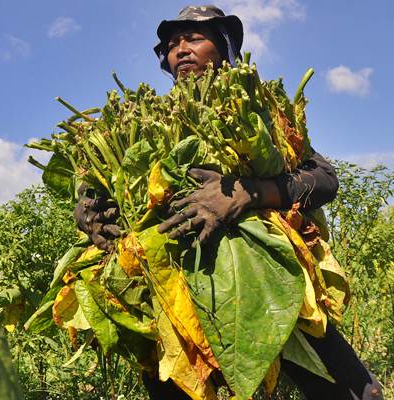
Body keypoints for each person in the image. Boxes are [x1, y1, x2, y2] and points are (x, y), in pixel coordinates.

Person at [74, 5, 384, 400]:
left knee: (352, 390)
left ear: (224, 49)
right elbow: (96, 181)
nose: (181, 49)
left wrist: (246, 193)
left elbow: (323, 179)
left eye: (195, 38)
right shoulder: (144, 116)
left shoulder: (257, 107)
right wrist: (86, 210)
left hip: (263, 268)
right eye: (173, 44)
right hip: (170, 280)